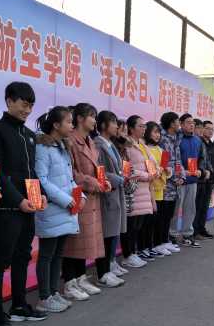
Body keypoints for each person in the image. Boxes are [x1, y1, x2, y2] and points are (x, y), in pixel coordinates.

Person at [0, 82, 48, 326]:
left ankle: (19, 305)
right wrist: (18, 200)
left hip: (28, 207)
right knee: (1, 259)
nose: (27, 110)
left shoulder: (29, 135)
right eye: (23, 104)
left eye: (31, 105)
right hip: (6, 208)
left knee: (23, 255)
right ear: (9, 101)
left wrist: (40, 196)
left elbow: (32, 172)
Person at [34, 106, 81, 312]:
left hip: (65, 208)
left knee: (58, 253)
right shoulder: (42, 148)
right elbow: (42, 180)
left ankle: (53, 292)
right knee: (47, 254)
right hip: (52, 208)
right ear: (55, 124)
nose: (72, 125)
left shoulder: (62, 147)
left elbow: (69, 179)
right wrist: (66, 200)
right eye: (69, 122)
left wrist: (80, 196)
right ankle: (44, 297)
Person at [62, 103, 107, 301]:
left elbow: (97, 168)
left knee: (84, 240)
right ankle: (69, 281)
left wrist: (102, 180)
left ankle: (80, 277)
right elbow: (68, 171)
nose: (94, 120)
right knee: (74, 241)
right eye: (91, 116)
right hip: (78, 195)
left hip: (92, 196)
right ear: (80, 118)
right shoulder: (70, 140)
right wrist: (90, 181)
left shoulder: (90, 141)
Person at [93, 110, 129, 287]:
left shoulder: (110, 144)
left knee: (112, 233)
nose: (117, 126)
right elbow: (98, 171)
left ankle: (108, 268)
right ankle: (103, 272)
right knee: (106, 235)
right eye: (113, 122)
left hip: (115, 192)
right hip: (107, 194)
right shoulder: (98, 144)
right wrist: (117, 179)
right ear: (103, 125)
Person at [121, 115, 157, 266]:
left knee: (137, 225)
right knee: (130, 225)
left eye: (144, 126)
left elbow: (152, 163)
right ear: (131, 128)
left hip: (145, 191)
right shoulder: (126, 145)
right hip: (133, 191)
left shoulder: (142, 144)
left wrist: (155, 171)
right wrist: (147, 175)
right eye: (140, 126)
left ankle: (134, 252)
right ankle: (128, 255)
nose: (144, 129)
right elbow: (127, 170)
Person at [171, 114, 205, 246]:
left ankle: (187, 234)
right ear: (181, 124)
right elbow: (171, 158)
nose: (191, 125)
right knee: (176, 209)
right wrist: (180, 173)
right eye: (188, 122)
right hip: (179, 180)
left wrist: (200, 170)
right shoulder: (176, 138)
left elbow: (201, 158)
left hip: (193, 180)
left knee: (190, 209)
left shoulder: (197, 140)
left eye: (193, 123)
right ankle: (172, 234)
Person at [144, 121, 173, 256]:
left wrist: (168, 170)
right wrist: (159, 170)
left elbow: (166, 169)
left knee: (159, 218)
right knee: (150, 220)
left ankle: (158, 243)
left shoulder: (161, 150)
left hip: (161, 189)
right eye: (154, 132)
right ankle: (149, 246)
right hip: (150, 189)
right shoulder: (145, 149)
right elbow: (150, 170)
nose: (157, 135)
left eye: (159, 133)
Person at [157, 112, 184, 253]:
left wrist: (181, 176)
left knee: (169, 215)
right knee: (163, 215)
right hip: (165, 184)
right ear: (172, 123)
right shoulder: (163, 140)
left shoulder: (176, 139)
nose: (179, 123)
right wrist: (174, 178)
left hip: (175, 183)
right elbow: (163, 163)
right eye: (178, 121)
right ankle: (160, 242)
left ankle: (165, 240)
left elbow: (178, 161)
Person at [193, 119, 214, 240]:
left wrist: (212, 174)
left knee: (205, 206)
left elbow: (211, 162)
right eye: (207, 128)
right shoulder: (198, 142)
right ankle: (195, 231)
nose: (210, 131)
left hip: (209, 179)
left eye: (212, 129)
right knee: (198, 206)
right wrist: (203, 172)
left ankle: (201, 228)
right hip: (199, 179)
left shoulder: (212, 145)